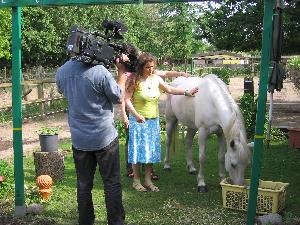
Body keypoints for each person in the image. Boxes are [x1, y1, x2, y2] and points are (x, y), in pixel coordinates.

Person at [56, 55, 130, 225]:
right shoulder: (100, 72)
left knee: (83, 185)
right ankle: (116, 222)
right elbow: (118, 97)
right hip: (104, 139)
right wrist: (121, 73)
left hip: (79, 140)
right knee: (111, 183)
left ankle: (86, 221)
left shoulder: (62, 71)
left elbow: (61, 90)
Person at [124, 53, 198, 192]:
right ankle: (136, 181)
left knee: (150, 151)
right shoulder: (134, 80)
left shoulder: (156, 79)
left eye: (153, 67)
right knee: (137, 151)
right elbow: (127, 99)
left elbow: (169, 89)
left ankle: (147, 180)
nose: (151, 70)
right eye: (148, 67)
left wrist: (187, 92)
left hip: (153, 121)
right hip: (138, 121)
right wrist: (136, 115)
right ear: (141, 67)